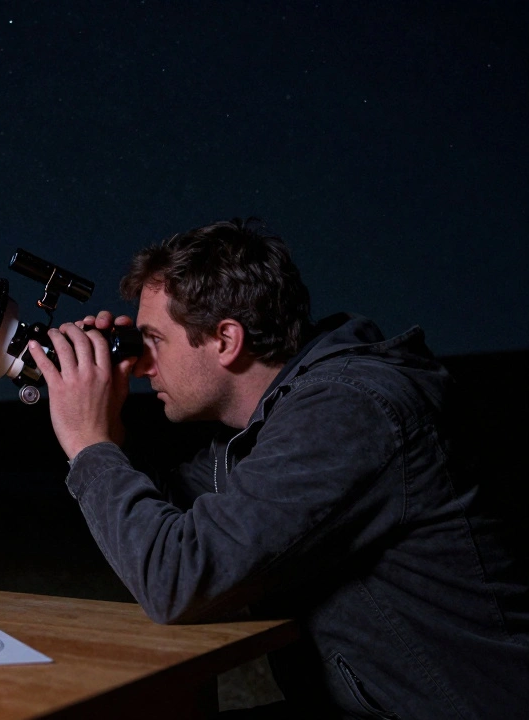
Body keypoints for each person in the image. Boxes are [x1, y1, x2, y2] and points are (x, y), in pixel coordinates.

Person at [26, 218, 528, 718]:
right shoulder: (268, 429)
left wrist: (88, 443)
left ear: (225, 339)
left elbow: (176, 579)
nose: (143, 365)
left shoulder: (349, 413)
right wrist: (104, 421)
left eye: (153, 340)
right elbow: (164, 526)